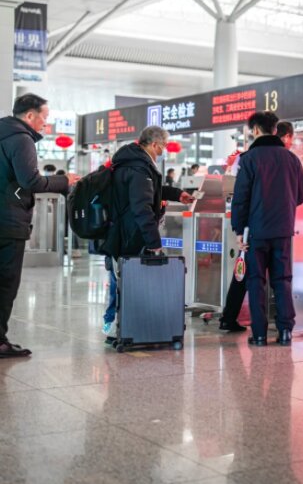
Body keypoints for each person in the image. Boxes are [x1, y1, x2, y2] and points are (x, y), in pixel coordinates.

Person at [0, 93, 80, 357]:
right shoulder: (21, 139)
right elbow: (30, 181)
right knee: (6, 283)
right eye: (44, 117)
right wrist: (64, 181)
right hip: (8, 221)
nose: (46, 123)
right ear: (30, 115)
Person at [99, 125, 194, 336]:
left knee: (120, 279)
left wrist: (177, 194)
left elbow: (149, 191)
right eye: (163, 146)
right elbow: (141, 207)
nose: (163, 150)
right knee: (124, 281)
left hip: (120, 232)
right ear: (154, 144)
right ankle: (121, 328)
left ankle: (119, 326)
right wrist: (154, 242)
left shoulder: (133, 162)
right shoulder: (139, 167)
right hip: (129, 235)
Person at [231, 111, 303, 346]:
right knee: (282, 280)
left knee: (256, 281)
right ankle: (285, 332)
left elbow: (240, 198)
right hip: (283, 231)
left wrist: (239, 230)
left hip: (256, 231)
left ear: (255, 130)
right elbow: (302, 195)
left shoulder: (249, 159)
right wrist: (283, 206)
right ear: (275, 130)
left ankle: (259, 334)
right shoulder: (292, 159)